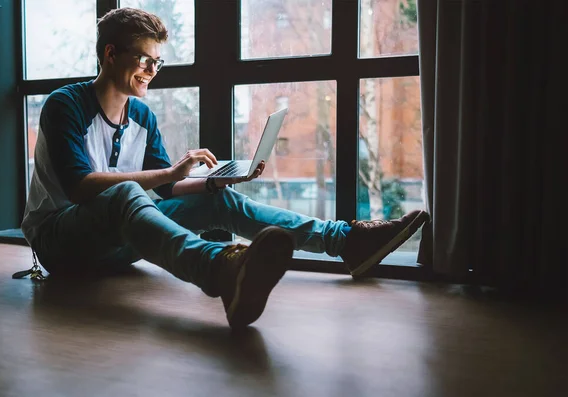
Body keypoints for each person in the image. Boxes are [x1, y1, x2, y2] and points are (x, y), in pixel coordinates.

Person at [22, 8, 429, 329]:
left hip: (114, 247)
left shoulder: (142, 118)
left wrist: (211, 183)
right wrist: (168, 174)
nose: (151, 71)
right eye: (145, 59)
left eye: (158, 63)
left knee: (220, 198)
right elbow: (80, 188)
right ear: (110, 54)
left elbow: (165, 191)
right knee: (126, 193)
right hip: (62, 244)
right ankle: (220, 269)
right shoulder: (65, 105)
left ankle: (345, 242)